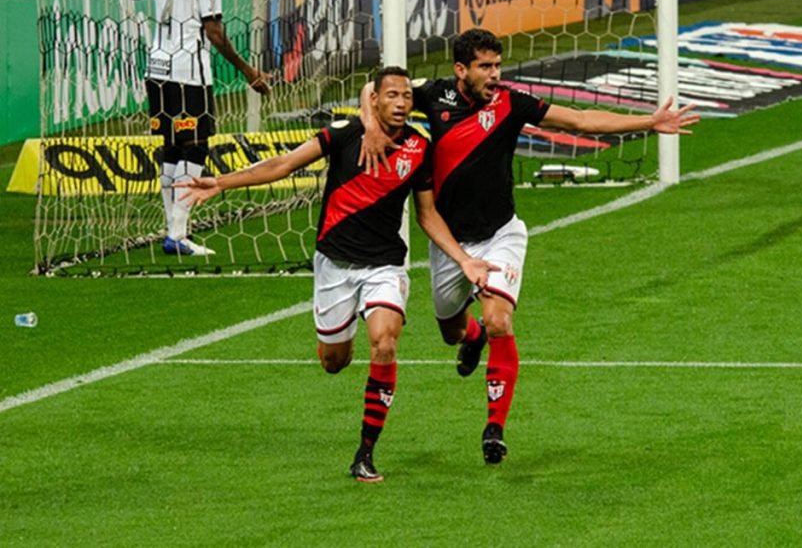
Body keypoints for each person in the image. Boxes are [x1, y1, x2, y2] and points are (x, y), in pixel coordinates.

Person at [359, 28, 701, 465]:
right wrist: (371, 126)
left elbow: (578, 121)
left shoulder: (511, 103)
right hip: (451, 244)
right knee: (451, 332)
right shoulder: (433, 95)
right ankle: (473, 337)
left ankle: (494, 429)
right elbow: (374, 86)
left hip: (501, 234)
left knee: (500, 319)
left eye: (497, 65)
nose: (494, 75)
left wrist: (648, 123)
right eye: (485, 67)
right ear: (461, 70)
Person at [177, 66, 497, 483]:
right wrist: (222, 182)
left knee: (384, 343)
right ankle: (472, 333)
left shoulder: (420, 148)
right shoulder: (344, 134)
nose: (401, 103)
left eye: (406, 96)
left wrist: (464, 261)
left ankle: (365, 453)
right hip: (335, 265)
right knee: (334, 362)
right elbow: (285, 164)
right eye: (392, 96)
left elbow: (427, 214)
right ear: (375, 100)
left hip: (384, 265)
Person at [130, 0, 272, 256]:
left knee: (172, 147)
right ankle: (177, 234)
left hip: (158, 71)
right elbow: (214, 33)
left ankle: (173, 230)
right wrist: (248, 71)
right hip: (189, 74)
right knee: (195, 146)